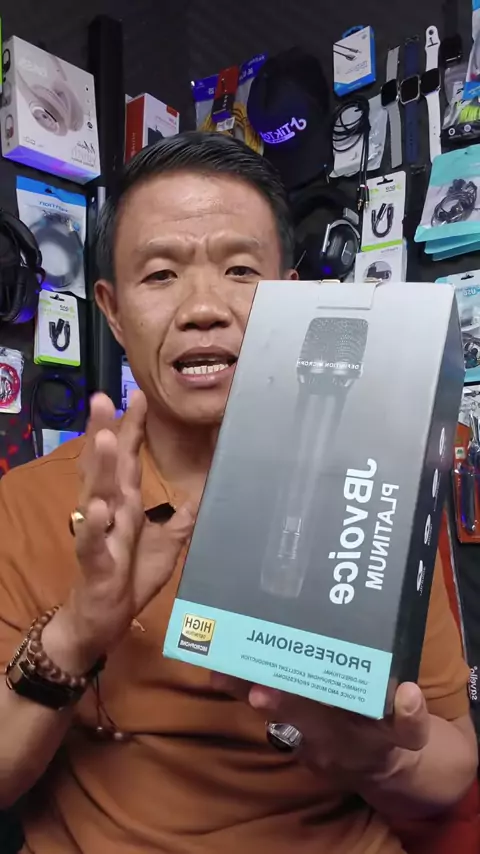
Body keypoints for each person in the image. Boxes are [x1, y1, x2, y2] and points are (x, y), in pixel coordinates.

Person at [0, 132, 476, 854]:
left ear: (291, 293)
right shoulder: (26, 503)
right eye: (161, 274)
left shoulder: (377, 493)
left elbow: (450, 764)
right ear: (113, 310)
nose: (204, 308)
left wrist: (380, 758)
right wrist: (77, 634)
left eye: (241, 271)